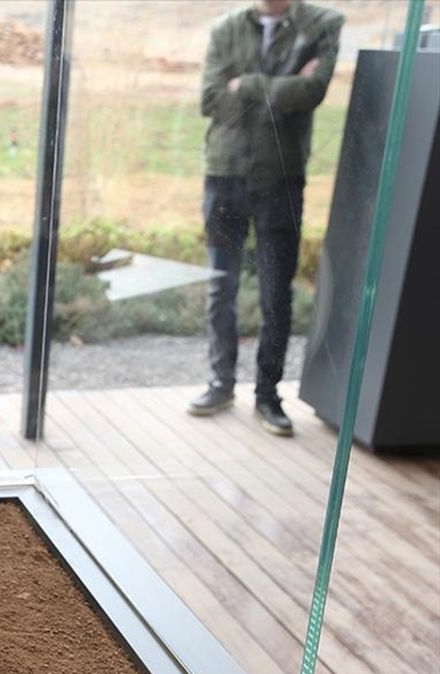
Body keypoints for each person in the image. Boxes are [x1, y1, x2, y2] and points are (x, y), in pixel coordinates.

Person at [189, 0, 343, 436]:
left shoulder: (323, 24)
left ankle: (267, 394)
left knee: (276, 292)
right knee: (221, 285)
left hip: (281, 179)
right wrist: (281, 91)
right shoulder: (226, 28)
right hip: (224, 176)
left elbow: (312, 93)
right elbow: (211, 99)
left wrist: (247, 85)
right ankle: (220, 382)